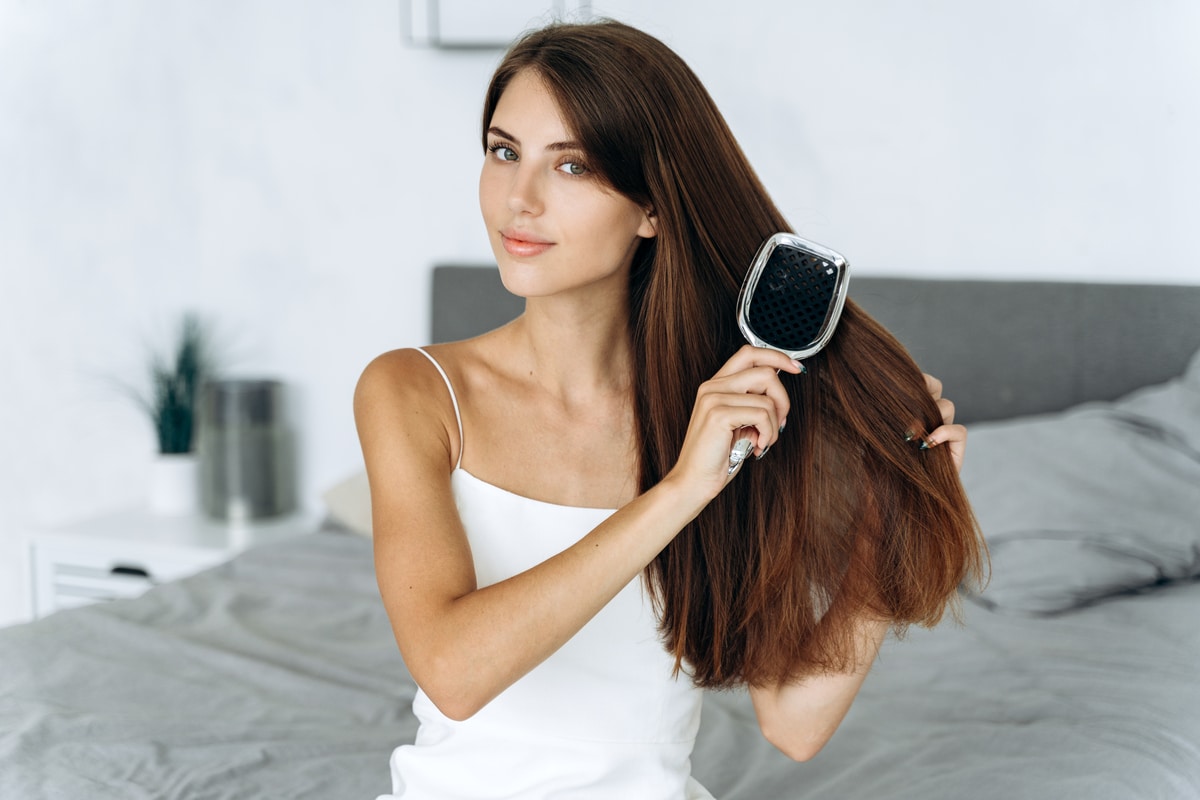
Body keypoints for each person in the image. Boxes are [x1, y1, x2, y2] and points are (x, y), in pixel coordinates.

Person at [356, 18, 985, 799]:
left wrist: (887, 525)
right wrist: (680, 491)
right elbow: (453, 672)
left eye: (573, 166)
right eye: (503, 151)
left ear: (652, 208)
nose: (519, 199)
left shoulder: (728, 415)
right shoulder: (412, 392)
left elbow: (792, 725)